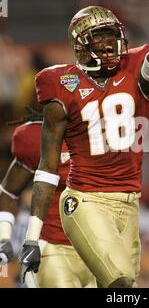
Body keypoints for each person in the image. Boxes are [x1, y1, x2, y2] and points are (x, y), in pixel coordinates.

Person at [19, 0, 149, 288]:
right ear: (81, 45)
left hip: (130, 202)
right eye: (99, 37)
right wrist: (32, 236)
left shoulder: (134, 70)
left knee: (124, 285)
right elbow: (47, 167)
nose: (108, 44)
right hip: (86, 200)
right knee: (120, 285)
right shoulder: (61, 83)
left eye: (112, 36)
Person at [0, 107, 96, 287]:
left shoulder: (109, 133)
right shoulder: (36, 138)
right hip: (55, 247)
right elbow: (8, 192)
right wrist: (4, 237)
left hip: (99, 247)